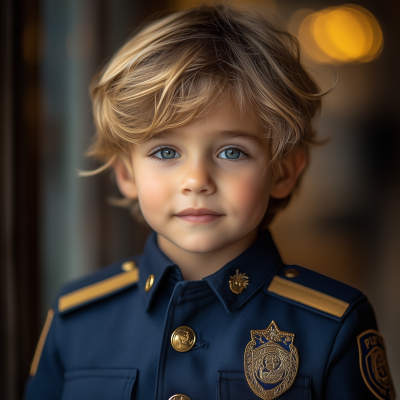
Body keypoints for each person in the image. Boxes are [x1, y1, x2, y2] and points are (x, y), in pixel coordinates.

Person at [24, 4, 395, 400]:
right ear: (127, 175)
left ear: (283, 173)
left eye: (232, 152)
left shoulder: (332, 327)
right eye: (166, 152)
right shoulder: (77, 318)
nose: (197, 181)